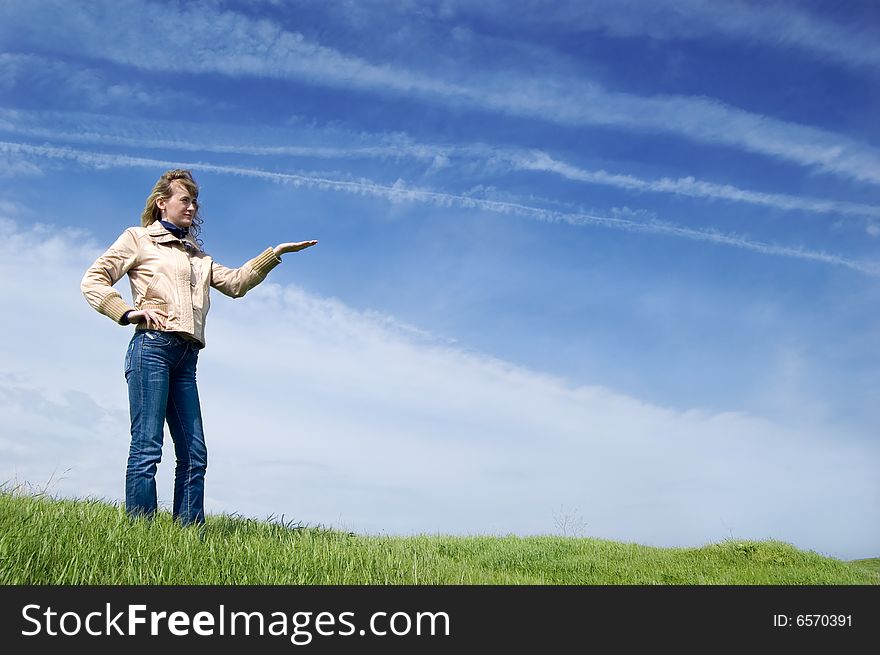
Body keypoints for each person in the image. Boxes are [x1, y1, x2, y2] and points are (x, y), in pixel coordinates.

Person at [81, 169, 317, 526]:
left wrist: (275, 254)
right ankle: (140, 533)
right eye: (184, 200)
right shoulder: (138, 239)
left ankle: (189, 538)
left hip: (186, 358)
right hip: (152, 348)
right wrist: (127, 311)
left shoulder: (198, 258)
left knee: (194, 454)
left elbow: (237, 283)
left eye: (194, 201)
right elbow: (93, 280)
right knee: (147, 447)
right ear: (163, 203)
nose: (192, 207)